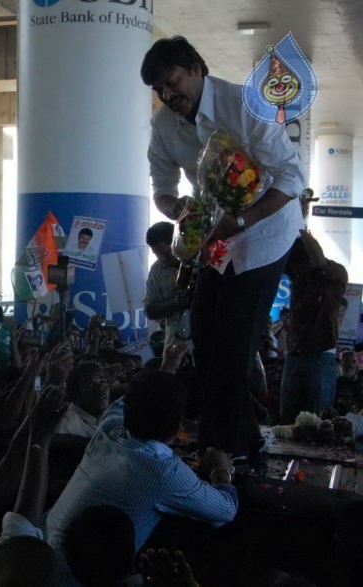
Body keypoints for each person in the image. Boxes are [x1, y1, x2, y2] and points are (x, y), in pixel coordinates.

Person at [142, 36, 306, 465]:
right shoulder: (163, 125)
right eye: (158, 89)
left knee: (233, 345)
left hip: (264, 235)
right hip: (215, 241)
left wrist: (243, 220)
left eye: (172, 82)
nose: (166, 95)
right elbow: (162, 190)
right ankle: (236, 441)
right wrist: (178, 209)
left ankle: (223, 450)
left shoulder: (245, 106)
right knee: (205, 335)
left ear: (197, 68)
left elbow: (291, 178)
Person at [44, 369, 238, 583]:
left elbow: (127, 401)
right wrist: (221, 470)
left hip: (40, 559)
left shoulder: (108, 428)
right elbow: (226, 510)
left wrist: (169, 364)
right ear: (178, 425)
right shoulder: (162, 471)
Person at [280, 230, 347, 423]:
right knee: (288, 422)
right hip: (294, 355)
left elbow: (319, 261)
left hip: (320, 355)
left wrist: (298, 226)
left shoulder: (335, 275)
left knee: (316, 423)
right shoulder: (298, 281)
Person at [143, 222, 188, 348]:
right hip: (174, 342)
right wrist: (176, 302)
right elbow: (150, 310)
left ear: (178, 242)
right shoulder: (156, 270)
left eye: (167, 253)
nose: (163, 259)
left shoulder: (202, 259)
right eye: (157, 254)